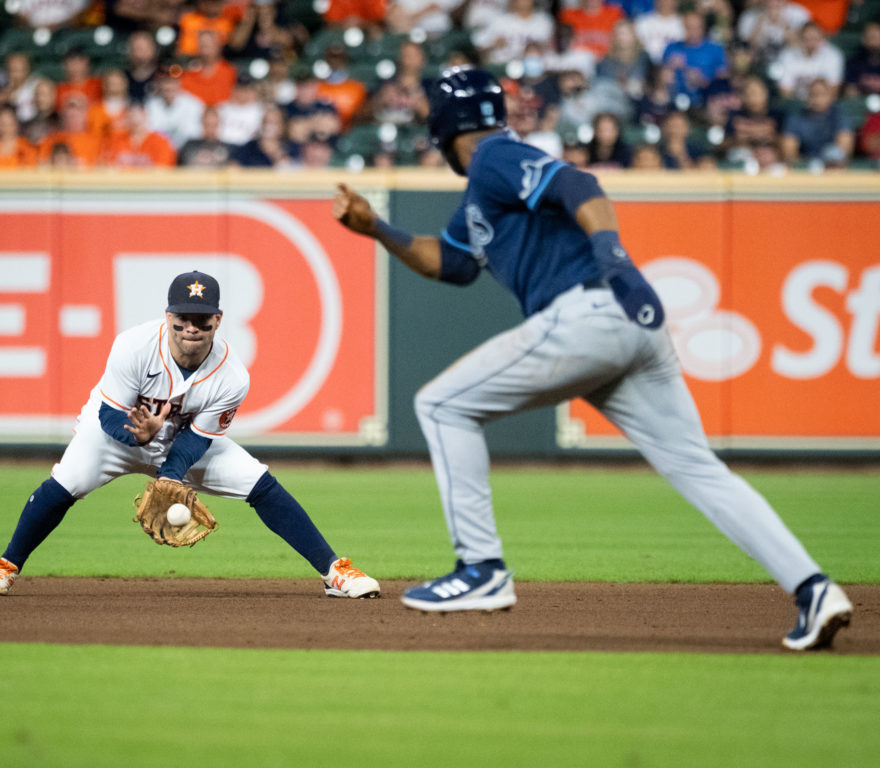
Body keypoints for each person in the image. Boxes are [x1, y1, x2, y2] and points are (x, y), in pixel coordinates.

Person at [331, 67, 852, 651]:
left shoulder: (493, 156)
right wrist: (377, 228)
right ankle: (814, 589)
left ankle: (481, 568)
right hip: (629, 326)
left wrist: (612, 254)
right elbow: (449, 264)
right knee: (698, 468)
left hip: (589, 313)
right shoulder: (481, 190)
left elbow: (577, 184)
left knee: (441, 405)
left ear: (444, 128)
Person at [0, 270, 380, 600]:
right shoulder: (133, 346)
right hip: (115, 437)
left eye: (202, 320)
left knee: (260, 484)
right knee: (66, 482)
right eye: (183, 318)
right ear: (167, 315)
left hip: (183, 445)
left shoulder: (232, 375)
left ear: (218, 320)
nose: (191, 327)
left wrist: (170, 477)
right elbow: (109, 415)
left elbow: (198, 438)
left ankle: (334, 572)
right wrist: (139, 436)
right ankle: (6, 566)